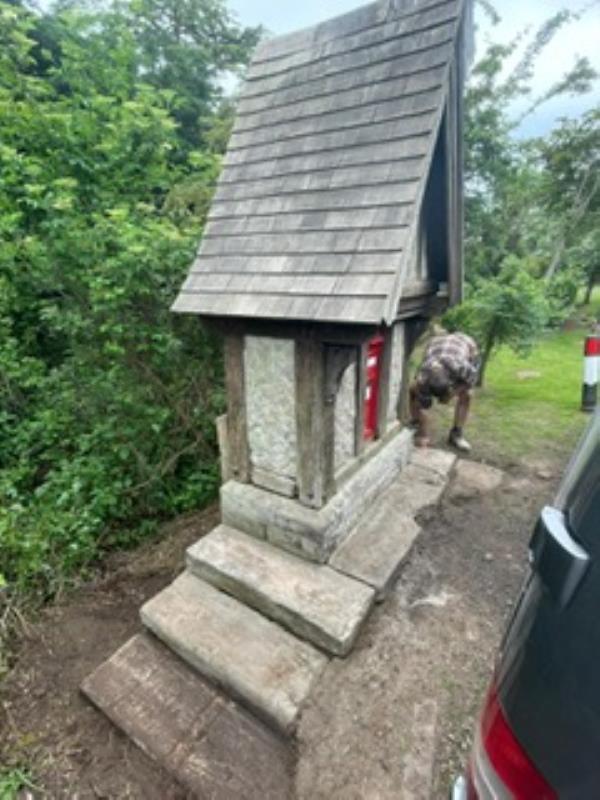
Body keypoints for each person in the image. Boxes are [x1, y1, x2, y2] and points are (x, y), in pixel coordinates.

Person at [409, 331, 480, 453]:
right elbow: (420, 399)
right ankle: (417, 423)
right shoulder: (424, 373)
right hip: (436, 344)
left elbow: (471, 380)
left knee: (467, 395)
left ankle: (456, 434)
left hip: (466, 343)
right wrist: (424, 434)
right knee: (413, 391)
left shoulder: (461, 366)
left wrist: (452, 394)